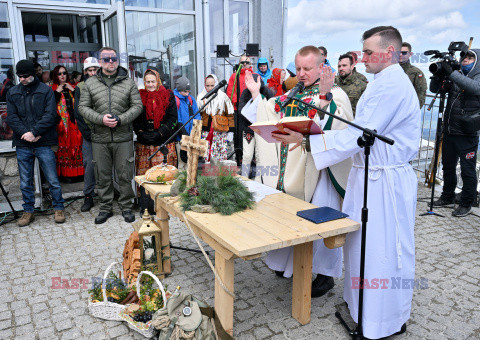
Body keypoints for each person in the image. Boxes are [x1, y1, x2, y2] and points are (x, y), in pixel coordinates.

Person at [285, 26, 418, 339]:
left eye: (369, 52)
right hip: (367, 175)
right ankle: (361, 308)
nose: (363, 57)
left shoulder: (392, 85)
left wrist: (308, 141)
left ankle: (382, 321)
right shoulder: (380, 81)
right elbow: (358, 129)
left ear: (390, 52)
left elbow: (359, 134)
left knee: (382, 251)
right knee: (361, 248)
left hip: (384, 181)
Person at [242, 45, 354, 297]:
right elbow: (270, 109)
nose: (301, 73)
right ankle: (288, 265)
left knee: (321, 221)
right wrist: (256, 94)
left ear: (321, 67)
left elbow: (339, 130)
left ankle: (324, 275)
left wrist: (325, 98)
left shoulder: (335, 93)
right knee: (290, 216)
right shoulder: (294, 92)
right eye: (299, 68)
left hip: (320, 171)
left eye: (307, 68)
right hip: (291, 169)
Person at [79, 47, 143, 224]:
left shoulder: (128, 82)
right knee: (103, 175)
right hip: (100, 138)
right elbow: (83, 108)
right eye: (106, 59)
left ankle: (126, 207)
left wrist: (121, 119)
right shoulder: (91, 83)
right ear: (100, 61)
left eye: (113, 58)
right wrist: (101, 119)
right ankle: (106, 208)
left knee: (124, 174)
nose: (110, 62)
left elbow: (137, 106)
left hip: (123, 137)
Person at [6, 59, 66, 226]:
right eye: (20, 76)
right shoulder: (12, 92)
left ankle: (58, 207)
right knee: (25, 180)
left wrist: (35, 132)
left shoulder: (45, 91)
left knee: (52, 178)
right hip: (23, 142)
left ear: (33, 74)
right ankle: (28, 211)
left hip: (43, 141)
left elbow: (50, 115)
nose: (23, 79)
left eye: (26, 76)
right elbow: (12, 117)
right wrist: (26, 133)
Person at [433, 49, 480, 217]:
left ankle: (466, 203)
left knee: (467, 170)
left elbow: (474, 88)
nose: (465, 60)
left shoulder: (477, 76)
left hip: (467, 134)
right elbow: (436, 89)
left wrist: (451, 73)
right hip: (450, 130)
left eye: (470, 57)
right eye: (464, 57)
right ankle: (447, 196)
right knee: (448, 166)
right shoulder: (456, 75)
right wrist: (439, 76)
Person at [134, 68, 178, 215]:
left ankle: (162, 206)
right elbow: (136, 118)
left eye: (153, 81)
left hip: (162, 142)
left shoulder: (168, 96)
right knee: (145, 175)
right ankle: (146, 207)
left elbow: (173, 119)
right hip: (144, 143)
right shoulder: (139, 96)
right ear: (144, 82)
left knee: (162, 175)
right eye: (148, 82)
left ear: (158, 81)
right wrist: (141, 133)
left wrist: (159, 133)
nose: (151, 85)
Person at [73, 57, 100, 212]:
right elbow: (78, 113)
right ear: (85, 72)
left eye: (95, 70)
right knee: (89, 165)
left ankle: (105, 195)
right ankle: (88, 196)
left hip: (104, 132)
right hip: (89, 134)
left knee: (105, 166)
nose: (92, 73)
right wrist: (88, 134)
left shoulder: (105, 85)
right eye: (89, 70)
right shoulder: (80, 88)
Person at [50, 66, 84, 179]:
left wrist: (73, 90)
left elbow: (83, 103)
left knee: (78, 146)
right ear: (55, 75)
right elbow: (49, 107)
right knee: (64, 148)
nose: (62, 75)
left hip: (75, 124)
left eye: (64, 73)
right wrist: (57, 92)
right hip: (62, 126)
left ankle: (79, 174)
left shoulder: (74, 87)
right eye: (59, 74)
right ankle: (66, 175)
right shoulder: (51, 89)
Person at [239, 74, 274, 177]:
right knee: (247, 155)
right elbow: (241, 111)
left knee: (260, 156)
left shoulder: (267, 92)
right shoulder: (245, 93)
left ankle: (260, 179)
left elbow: (271, 109)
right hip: (248, 128)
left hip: (262, 129)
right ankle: (244, 178)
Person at [197, 74, 234, 162]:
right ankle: (209, 174)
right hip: (206, 131)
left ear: (216, 84)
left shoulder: (223, 96)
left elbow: (230, 114)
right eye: (207, 85)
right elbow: (198, 115)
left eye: (212, 85)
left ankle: (221, 174)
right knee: (207, 154)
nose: (210, 88)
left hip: (220, 130)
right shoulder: (200, 97)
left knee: (221, 153)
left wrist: (231, 131)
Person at [173, 76, 200, 170]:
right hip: (181, 138)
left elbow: (197, 115)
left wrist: (195, 132)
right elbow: (177, 120)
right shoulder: (175, 99)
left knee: (191, 164)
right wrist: (184, 136)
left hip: (191, 136)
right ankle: (181, 183)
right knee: (182, 163)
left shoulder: (191, 99)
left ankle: (190, 183)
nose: (187, 93)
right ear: (179, 89)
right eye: (185, 91)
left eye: (188, 91)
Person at [399, 42, 427, 107]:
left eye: (404, 53)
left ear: (410, 54)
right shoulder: (389, 71)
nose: (400, 54)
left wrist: (412, 111)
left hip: (406, 111)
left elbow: (421, 94)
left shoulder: (416, 72)